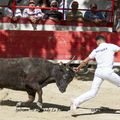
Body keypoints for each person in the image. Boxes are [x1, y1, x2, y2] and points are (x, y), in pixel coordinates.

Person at [70, 35, 120, 115]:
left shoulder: (95, 50)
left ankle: (76, 102)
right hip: (107, 71)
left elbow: (85, 61)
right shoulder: (111, 46)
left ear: (98, 41)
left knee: (93, 92)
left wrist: (78, 67)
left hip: (98, 72)